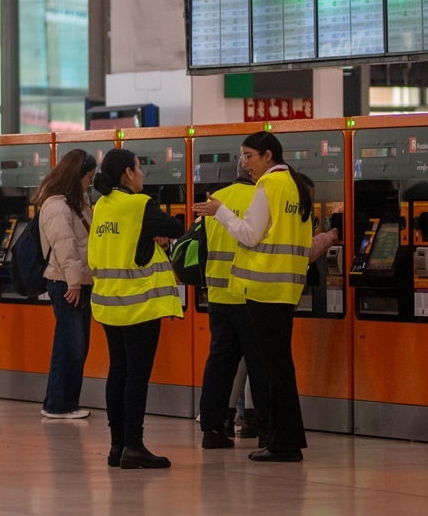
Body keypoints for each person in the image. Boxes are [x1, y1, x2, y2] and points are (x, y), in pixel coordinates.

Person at [192, 132, 338, 464]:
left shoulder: (268, 186)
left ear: (267, 156)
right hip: (287, 289)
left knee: (273, 369)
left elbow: (249, 233)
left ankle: (282, 443)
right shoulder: (296, 187)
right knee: (280, 367)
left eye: (249, 156)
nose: (244, 163)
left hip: (261, 289)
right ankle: (286, 438)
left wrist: (221, 212)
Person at [88, 148, 185, 470]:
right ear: (128, 173)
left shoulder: (102, 204)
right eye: (140, 166)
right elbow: (176, 227)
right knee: (137, 376)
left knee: (118, 371)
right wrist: (160, 235)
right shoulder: (139, 204)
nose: (142, 173)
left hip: (108, 302)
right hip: (139, 303)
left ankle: (117, 446)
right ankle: (134, 445)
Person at [194, 167, 257, 449]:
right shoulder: (260, 197)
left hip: (218, 296)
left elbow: (204, 248)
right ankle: (267, 430)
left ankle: (212, 429)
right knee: (260, 366)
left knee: (219, 365)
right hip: (250, 295)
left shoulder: (216, 198)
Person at [34, 149, 96, 421]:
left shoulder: (76, 201)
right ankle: (58, 405)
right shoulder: (57, 205)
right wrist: (74, 284)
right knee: (69, 346)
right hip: (66, 283)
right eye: (89, 176)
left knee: (76, 345)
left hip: (79, 281)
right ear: (77, 175)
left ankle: (63, 402)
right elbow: (65, 248)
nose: (90, 182)